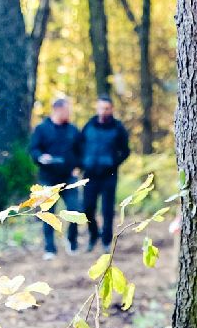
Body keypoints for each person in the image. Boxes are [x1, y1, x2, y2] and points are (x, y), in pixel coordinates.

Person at [75, 95, 132, 250]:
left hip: (109, 175)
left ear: (112, 109)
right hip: (90, 175)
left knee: (107, 210)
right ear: (97, 108)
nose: (103, 111)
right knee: (87, 208)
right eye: (101, 108)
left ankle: (107, 241)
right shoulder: (89, 126)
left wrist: (114, 163)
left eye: (107, 108)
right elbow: (80, 146)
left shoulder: (118, 128)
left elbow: (125, 151)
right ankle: (93, 235)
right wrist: (80, 164)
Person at [29, 96, 83, 258]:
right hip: (48, 179)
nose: (69, 113)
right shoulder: (42, 129)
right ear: (57, 110)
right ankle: (50, 248)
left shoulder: (73, 130)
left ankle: (72, 240)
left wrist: (78, 167)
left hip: (69, 178)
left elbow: (81, 152)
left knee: (76, 209)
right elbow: (33, 150)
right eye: (67, 110)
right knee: (48, 213)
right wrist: (41, 157)